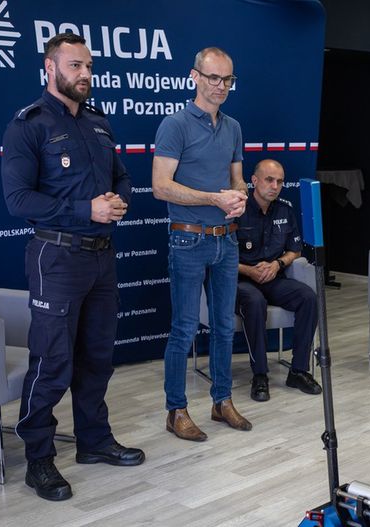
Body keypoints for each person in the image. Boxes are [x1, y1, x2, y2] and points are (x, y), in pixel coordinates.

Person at [2, 33, 145, 502]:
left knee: (97, 358)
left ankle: (94, 440)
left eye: (88, 66)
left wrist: (119, 200)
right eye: (75, 65)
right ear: (50, 67)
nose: (85, 74)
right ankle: (39, 459)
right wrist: (87, 210)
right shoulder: (29, 125)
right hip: (57, 258)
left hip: (101, 257)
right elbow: (18, 199)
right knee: (52, 362)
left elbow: (121, 175)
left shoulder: (99, 123)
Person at [152, 47, 251, 442]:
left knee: (224, 326)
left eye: (227, 79)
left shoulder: (233, 127)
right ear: (194, 76)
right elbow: (161, 186)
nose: (221, 86)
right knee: (185, 328)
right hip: (188, 238)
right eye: (213, 78)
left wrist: (240, 195)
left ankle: (221, 401)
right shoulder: (174, 125)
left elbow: (237, 177)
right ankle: (176, 410)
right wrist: (213, 198)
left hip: (226, 240)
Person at [236, 159, 322, 402]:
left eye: (280, 182)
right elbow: (221, 258)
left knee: (308, 297)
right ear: (254, 181)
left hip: (273, 276)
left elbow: (295, 250)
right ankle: (260, 375)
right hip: (241, 279)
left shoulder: (285, 209)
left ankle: (298, 371)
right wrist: (250, 271)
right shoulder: (237, 209)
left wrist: (278, 264)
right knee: (255, 302)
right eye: (269, 180)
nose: (275, 186)